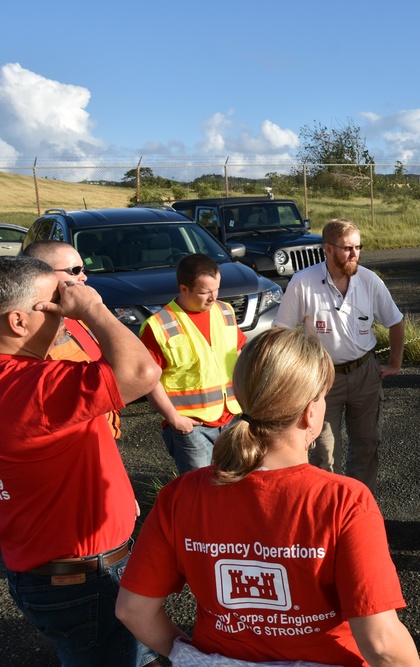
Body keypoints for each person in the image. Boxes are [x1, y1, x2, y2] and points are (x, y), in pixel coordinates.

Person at [115, 328, 420, 667]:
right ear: (310, 412)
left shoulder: (181, 494)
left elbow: (133, 609)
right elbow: (380, 642)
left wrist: (188, 653)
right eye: (323, 396)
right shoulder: (343, 501)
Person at [0, 255, 161, 666]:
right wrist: (92, 308)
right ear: (19, 322)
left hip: (42, 566)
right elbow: (141, 371)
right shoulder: (28, 387)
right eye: (56, 299)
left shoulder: (23, 379)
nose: (65, 307)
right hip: (82, 579)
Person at [274, 219, 404, 491]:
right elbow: (282, 333)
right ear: (328, 249)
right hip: (321, 379)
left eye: (358, 247)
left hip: (365, 373)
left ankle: (358, 504)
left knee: (367, 443)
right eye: (347, 248)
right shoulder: (303, 282)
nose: (355, 254)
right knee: (323, 451)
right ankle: (327, 506)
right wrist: (295, 374)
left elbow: (395, 320)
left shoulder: (369, 280)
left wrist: (395, 363)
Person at [139, 253, 245, 474]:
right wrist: (174, 418)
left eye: (216, 289)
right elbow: (149, 380)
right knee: (199, 489)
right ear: (184, 289)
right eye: (205, 292)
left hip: (231, 418)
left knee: (235, 483)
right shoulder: (159, 325)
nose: (213, 297)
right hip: (191, 426)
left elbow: (239, 353)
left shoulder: (225, 312)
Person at [22, 239, 121, 437]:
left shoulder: (78, 319)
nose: (84, 277)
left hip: (100, 437)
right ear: (43, 275)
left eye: (83, 269)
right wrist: (95, 309)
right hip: (70, 445)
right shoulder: (25, 333)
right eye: (74, 270)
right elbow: (138, 373)